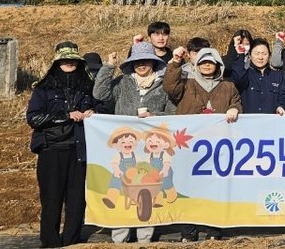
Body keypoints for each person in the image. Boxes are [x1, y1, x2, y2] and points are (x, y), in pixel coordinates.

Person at [93, 42, 175, 244]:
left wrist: (154, 116)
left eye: (145, 60)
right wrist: (108, 67)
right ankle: (120, 238)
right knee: (123, 189)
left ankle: (144, 238)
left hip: (149, 150)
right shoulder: (122, 83)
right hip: (126, 148)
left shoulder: (163, 86)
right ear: (132, 63)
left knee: (147, 190)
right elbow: (99, 94)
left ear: (153, 63)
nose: (141, 64)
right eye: (137, 61)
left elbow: (173, 113)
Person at [162, 46, 241, 242]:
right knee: (187, 186)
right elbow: (169, 87)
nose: (207, 65)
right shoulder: (186, 84)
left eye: (211, 62)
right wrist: (175, 63)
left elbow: (236, 102)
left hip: (215, 145)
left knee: (214, 188)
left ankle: (213, 229)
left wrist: (234, 108)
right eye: (203, 62)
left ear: (218, 65)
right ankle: (188, 231)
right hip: (188, 146)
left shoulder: (227, 86)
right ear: (196, 65)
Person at [27, 45, 97, 248]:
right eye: (64, 60)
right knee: (51, 199)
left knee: (77, 199)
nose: (69, 63)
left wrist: (93, 112)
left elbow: (102, 106)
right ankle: (50, 242)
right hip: (51, 149)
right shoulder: (43, 88)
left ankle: (71, 241)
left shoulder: (88, 87)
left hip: (79, 149)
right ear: (56, 63)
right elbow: (33, 118)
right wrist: (65, 116)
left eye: (73, 60)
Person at [230, 39, 285, 115]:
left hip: (272, 121)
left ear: (269, 55)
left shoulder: (278, 76)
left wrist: (281, 106)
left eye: (264, 54)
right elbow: (237, 78)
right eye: (257, 53)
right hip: (248, 121)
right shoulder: (244, 75)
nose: (260, 57)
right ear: (250, 55)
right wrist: (240, 55)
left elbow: (283, 96)